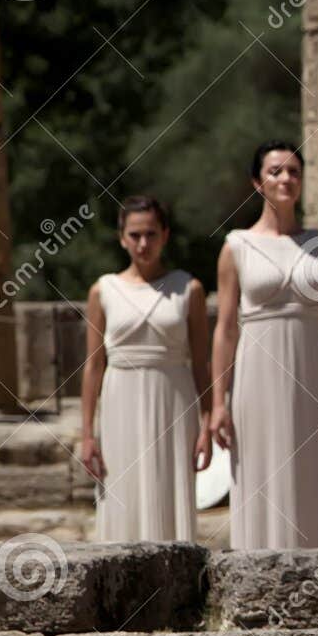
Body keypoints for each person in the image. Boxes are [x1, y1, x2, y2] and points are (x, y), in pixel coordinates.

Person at [211, 141, 318, 549]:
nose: (286, 179)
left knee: (309, 470)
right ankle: (258, 568)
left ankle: (316, 572)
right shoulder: (236, 246)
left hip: (311, 371)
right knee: (263, 469)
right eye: (276, 171)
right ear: (257, 182)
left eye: (294, 171)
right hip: (257, 373)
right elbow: (225, 329)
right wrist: (218, 403)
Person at [80, 196, 211, 541]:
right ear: (122, 237)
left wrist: (208, 423)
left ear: (165, 235)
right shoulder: (103, 290)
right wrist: (87, 434)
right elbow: (94, 365)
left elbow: (202, 362)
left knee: (169, 489)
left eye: (151, 234)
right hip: (120, 400)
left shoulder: (189, 288)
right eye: (135, 235)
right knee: (123, 491)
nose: (143, 243)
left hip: (174, 400)